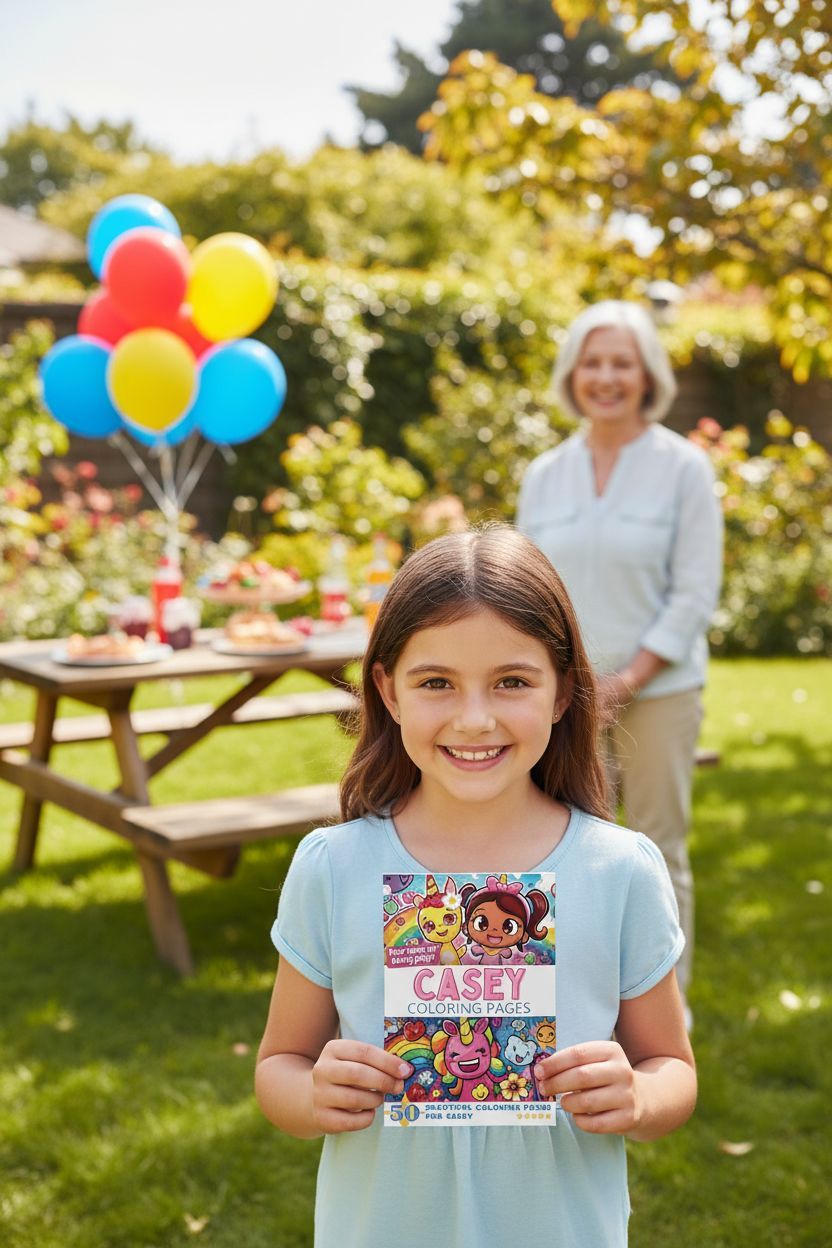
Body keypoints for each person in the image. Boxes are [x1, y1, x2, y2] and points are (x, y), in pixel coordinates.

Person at [255, 525, 696, 1248]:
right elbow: (279, 1065)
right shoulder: (332, 867)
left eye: (512, 682)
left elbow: (671, 1068)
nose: (475, 718)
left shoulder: (619, 870)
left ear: (561, 693)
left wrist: (639, 1095)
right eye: (436, 683)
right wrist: (311, 1093)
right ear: (387, 692)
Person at [517, 301, 723, 1007]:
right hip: (564, 697)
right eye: (593, 362)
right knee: (566, 848)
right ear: (573, 374)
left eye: (621, 363)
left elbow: (695, 592)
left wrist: (628, 680)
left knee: (658, 849)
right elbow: (526, 587)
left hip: (660, 693)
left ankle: (670, 1014)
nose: (606, 377)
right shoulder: (545, 474)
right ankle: (577, 1004)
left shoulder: (683, 468)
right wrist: (558, 684)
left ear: (646, 376)